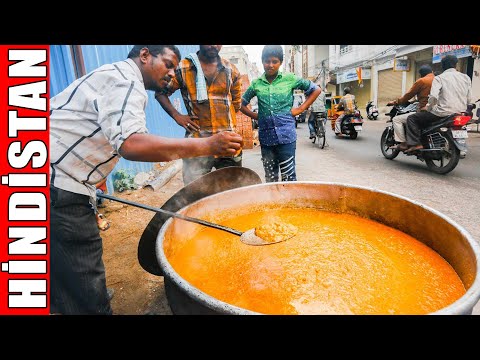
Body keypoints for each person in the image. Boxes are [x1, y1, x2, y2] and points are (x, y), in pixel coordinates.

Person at [50, 45, 243, 315]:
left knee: (61, 266)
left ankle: (69, 301)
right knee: (84, 269)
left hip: (53, 177)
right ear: (144, 55)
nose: (171, 73)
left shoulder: (116, 76)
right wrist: (208, 145)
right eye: (168, 64)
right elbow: (131, 144)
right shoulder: (125, 81)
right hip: (58, 184)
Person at [155, 45, 243, 185]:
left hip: (228, 144)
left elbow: (236, 104)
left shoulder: (231, 70)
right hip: (196, 144)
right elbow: (160, 92)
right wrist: (177, 116)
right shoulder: (182, 68)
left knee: (232, 193)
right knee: (194, 193)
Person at [240, 45, 321, 182]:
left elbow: (315, 89)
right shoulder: (256, 84)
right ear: (262, 61)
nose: (270, 65)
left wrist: (301, 109)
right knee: (270, 177)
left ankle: (289, 202)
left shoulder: (289, 78)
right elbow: (240, 104)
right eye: (267, 61)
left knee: (289, 177)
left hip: (286, 137)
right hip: (266, 138)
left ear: (280, 62)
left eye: (274, 61)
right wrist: (257, 117)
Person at [405, 55, 472, 152]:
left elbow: (433, 97)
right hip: (459, 112)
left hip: (442, 112)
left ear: (443, 66)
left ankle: (415, 144)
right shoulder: (466, 78)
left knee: (412, 118)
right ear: (455, 65)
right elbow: (469, 98)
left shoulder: (440, 78)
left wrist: (428, 107)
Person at [387, 65, 434, 151]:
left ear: (421, 74)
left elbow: (408, 95)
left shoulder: (422, 81)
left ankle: (404, 143)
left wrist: (395, 102)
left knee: (398, 119)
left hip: (426, 110)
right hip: (440, 110)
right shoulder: (438, 80)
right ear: (432, 71)